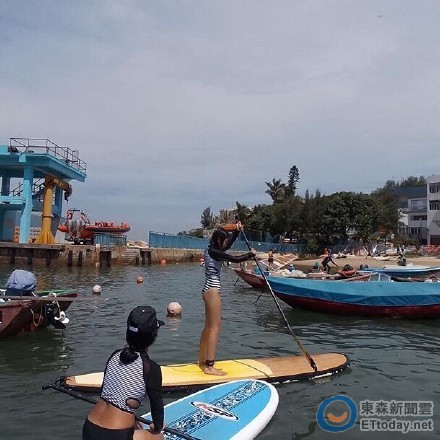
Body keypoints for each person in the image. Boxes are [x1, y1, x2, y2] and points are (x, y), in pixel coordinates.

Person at [83, 306, 165, 440]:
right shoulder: (151, 368)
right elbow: (157, 408)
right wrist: (156, 427)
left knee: (135, 424)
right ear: (153, 336)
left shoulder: (115, 355)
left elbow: (105, 392)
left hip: (89, 429)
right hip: (115, 436)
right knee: (159, 437)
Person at [198, 221, 256, 376]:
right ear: (218, 241)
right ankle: (210, 366)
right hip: (212, 290)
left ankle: (201, 360)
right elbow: (234, 258)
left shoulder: (210, 249)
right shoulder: (214, 252)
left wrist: (236, 231)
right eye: (223, 241)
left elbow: (227, 247)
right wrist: (250, 255)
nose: (225, 244)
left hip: (207, 289)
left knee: (208, 327)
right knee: (215, 327)